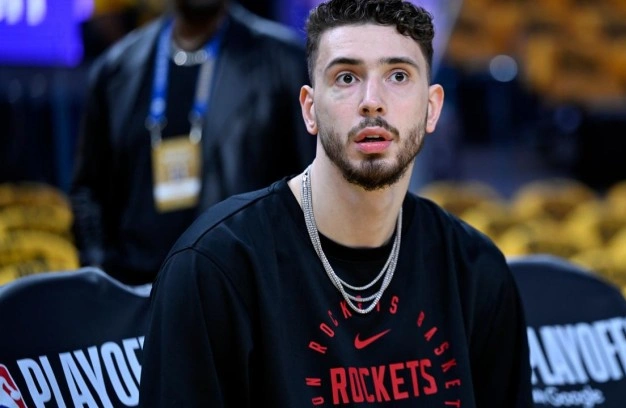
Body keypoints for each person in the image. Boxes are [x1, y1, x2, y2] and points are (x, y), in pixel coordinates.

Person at [139, 0, 533, 406]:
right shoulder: (215, 268)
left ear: (432, 108)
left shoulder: (475, 270)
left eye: (398, 75)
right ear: (310, 110)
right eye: (346, 77)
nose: (372, 101)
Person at [70, 0, 316, 285]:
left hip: (241, 286)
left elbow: (311, 184)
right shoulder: (117, 69)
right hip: (136, 288)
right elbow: (89, 191)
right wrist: (101, 276)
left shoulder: (283, 62)